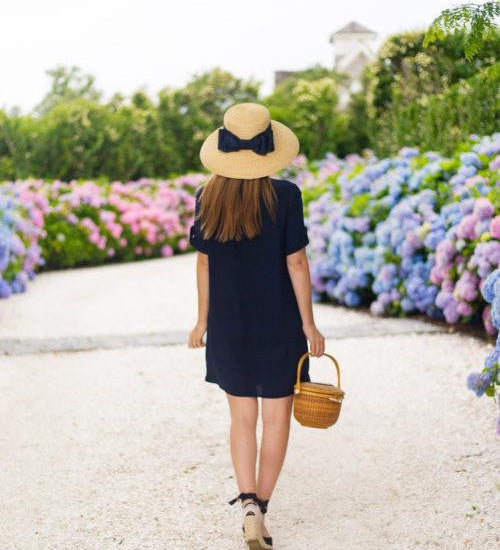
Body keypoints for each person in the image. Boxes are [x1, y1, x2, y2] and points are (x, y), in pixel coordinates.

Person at [187, 102, 325, 550]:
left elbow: (204, 264)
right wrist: (309, 325)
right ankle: (260, 508)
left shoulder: (207, 196)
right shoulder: (286, 196)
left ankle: (246, 504)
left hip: (229, 325)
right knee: (276, 418)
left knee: (241, 419)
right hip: (279, 324)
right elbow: (297, 263)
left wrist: (202, 321)